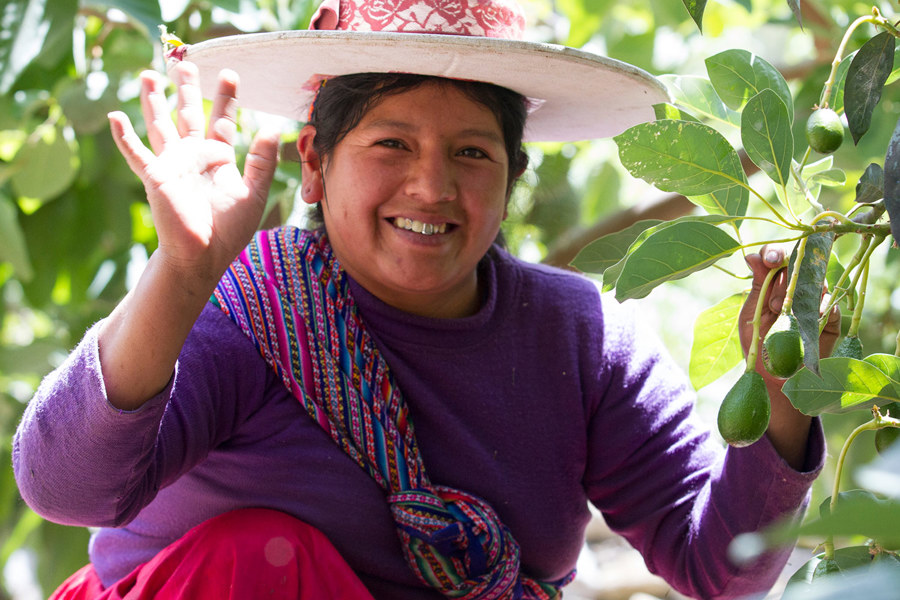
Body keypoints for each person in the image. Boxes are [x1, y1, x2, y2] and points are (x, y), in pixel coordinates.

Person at [12, 0, 840, 598]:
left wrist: (781, 411)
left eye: (473, 153)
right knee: (258, 552)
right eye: (392, 143)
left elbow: (719, 570)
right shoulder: (246, 310)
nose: (432, 184)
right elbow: (64, 491)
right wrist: (181, 278)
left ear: (513, 179)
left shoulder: (582, 340)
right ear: (314, 162)